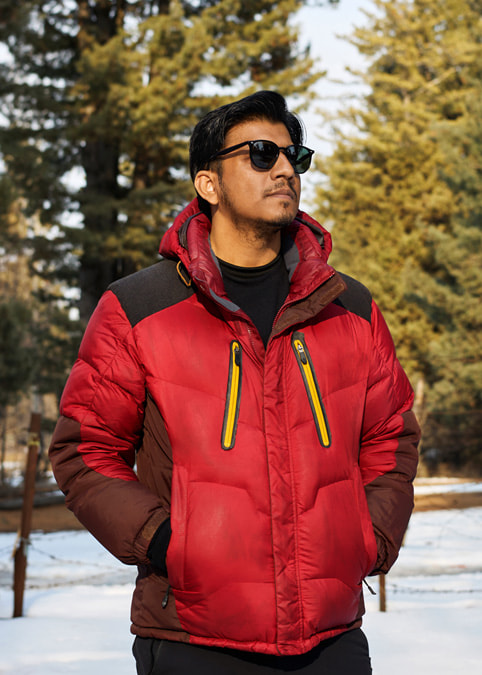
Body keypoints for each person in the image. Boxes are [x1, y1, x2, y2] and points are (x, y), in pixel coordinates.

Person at [49, 90, 420, 674]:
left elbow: (391, 437)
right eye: (260, 153)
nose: (284, 169)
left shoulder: (349, 307)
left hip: (332, 639)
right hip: (194, 638)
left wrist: (367, 538)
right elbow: (85, 450)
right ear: (208, 185)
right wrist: (168, 541)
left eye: (293, 155)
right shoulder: (139, 308)